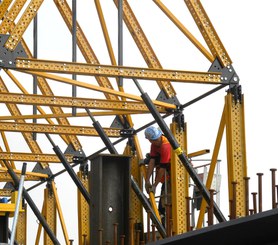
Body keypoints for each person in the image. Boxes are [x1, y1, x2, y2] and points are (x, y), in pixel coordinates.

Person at [144, 126, 171, 223]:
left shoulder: (165, 145)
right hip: (166, 173)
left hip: (175, 174)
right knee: (165, 194)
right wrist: (147, 180)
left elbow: (163, 167)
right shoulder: (154, 145)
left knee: (167, 198)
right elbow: (152, 161)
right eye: (152, 141)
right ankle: (162, 216)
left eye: (156, 140)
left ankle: (164, 219)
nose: (155, 142)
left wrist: (154, 185)